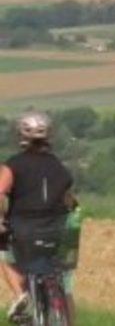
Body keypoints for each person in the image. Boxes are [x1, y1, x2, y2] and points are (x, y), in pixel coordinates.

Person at [0, 112, 76, 323]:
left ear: (20, 135)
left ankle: (21, 295)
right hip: (57, 231)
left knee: (4, 256)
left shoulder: (13, 164)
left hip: (24, 231)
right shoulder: (58, 166)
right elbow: (70, 201)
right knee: (64, 283)